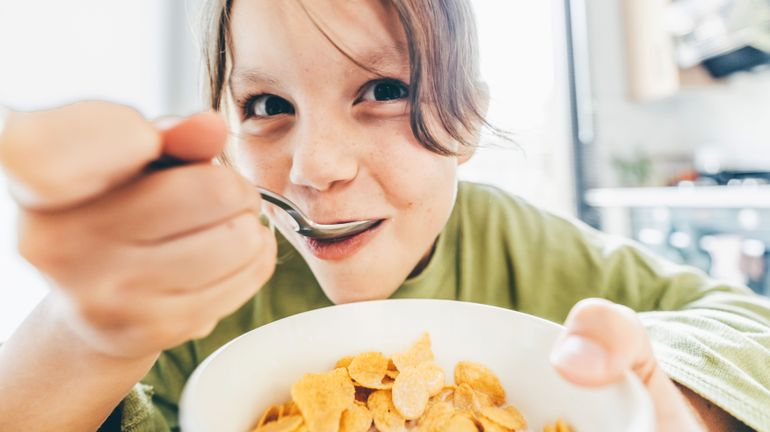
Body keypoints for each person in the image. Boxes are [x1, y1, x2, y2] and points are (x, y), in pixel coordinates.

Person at [0, 1, 768, 431]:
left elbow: (746, 326)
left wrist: (669, 406)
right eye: (266, 106)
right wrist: (85, 339)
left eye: (385, 91)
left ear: (466, 124)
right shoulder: (201, 290)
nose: (314, 169)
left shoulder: (520, 243)